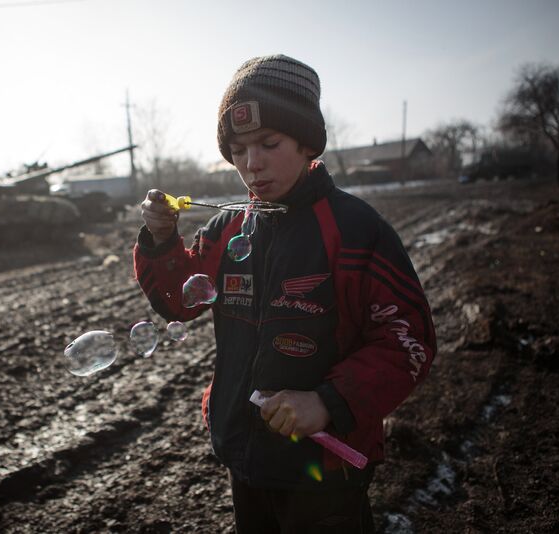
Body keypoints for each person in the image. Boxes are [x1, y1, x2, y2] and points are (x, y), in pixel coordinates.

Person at [133, 54, 436, 533]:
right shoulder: (227, 227)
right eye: (237, 149)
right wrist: (161, 241)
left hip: (325, 467)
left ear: (306, 143)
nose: (251, 164)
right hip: (244, 453)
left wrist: (327, 401)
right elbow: (178, 300)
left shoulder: (356, 231)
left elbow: (407, 340)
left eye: (268, 144)